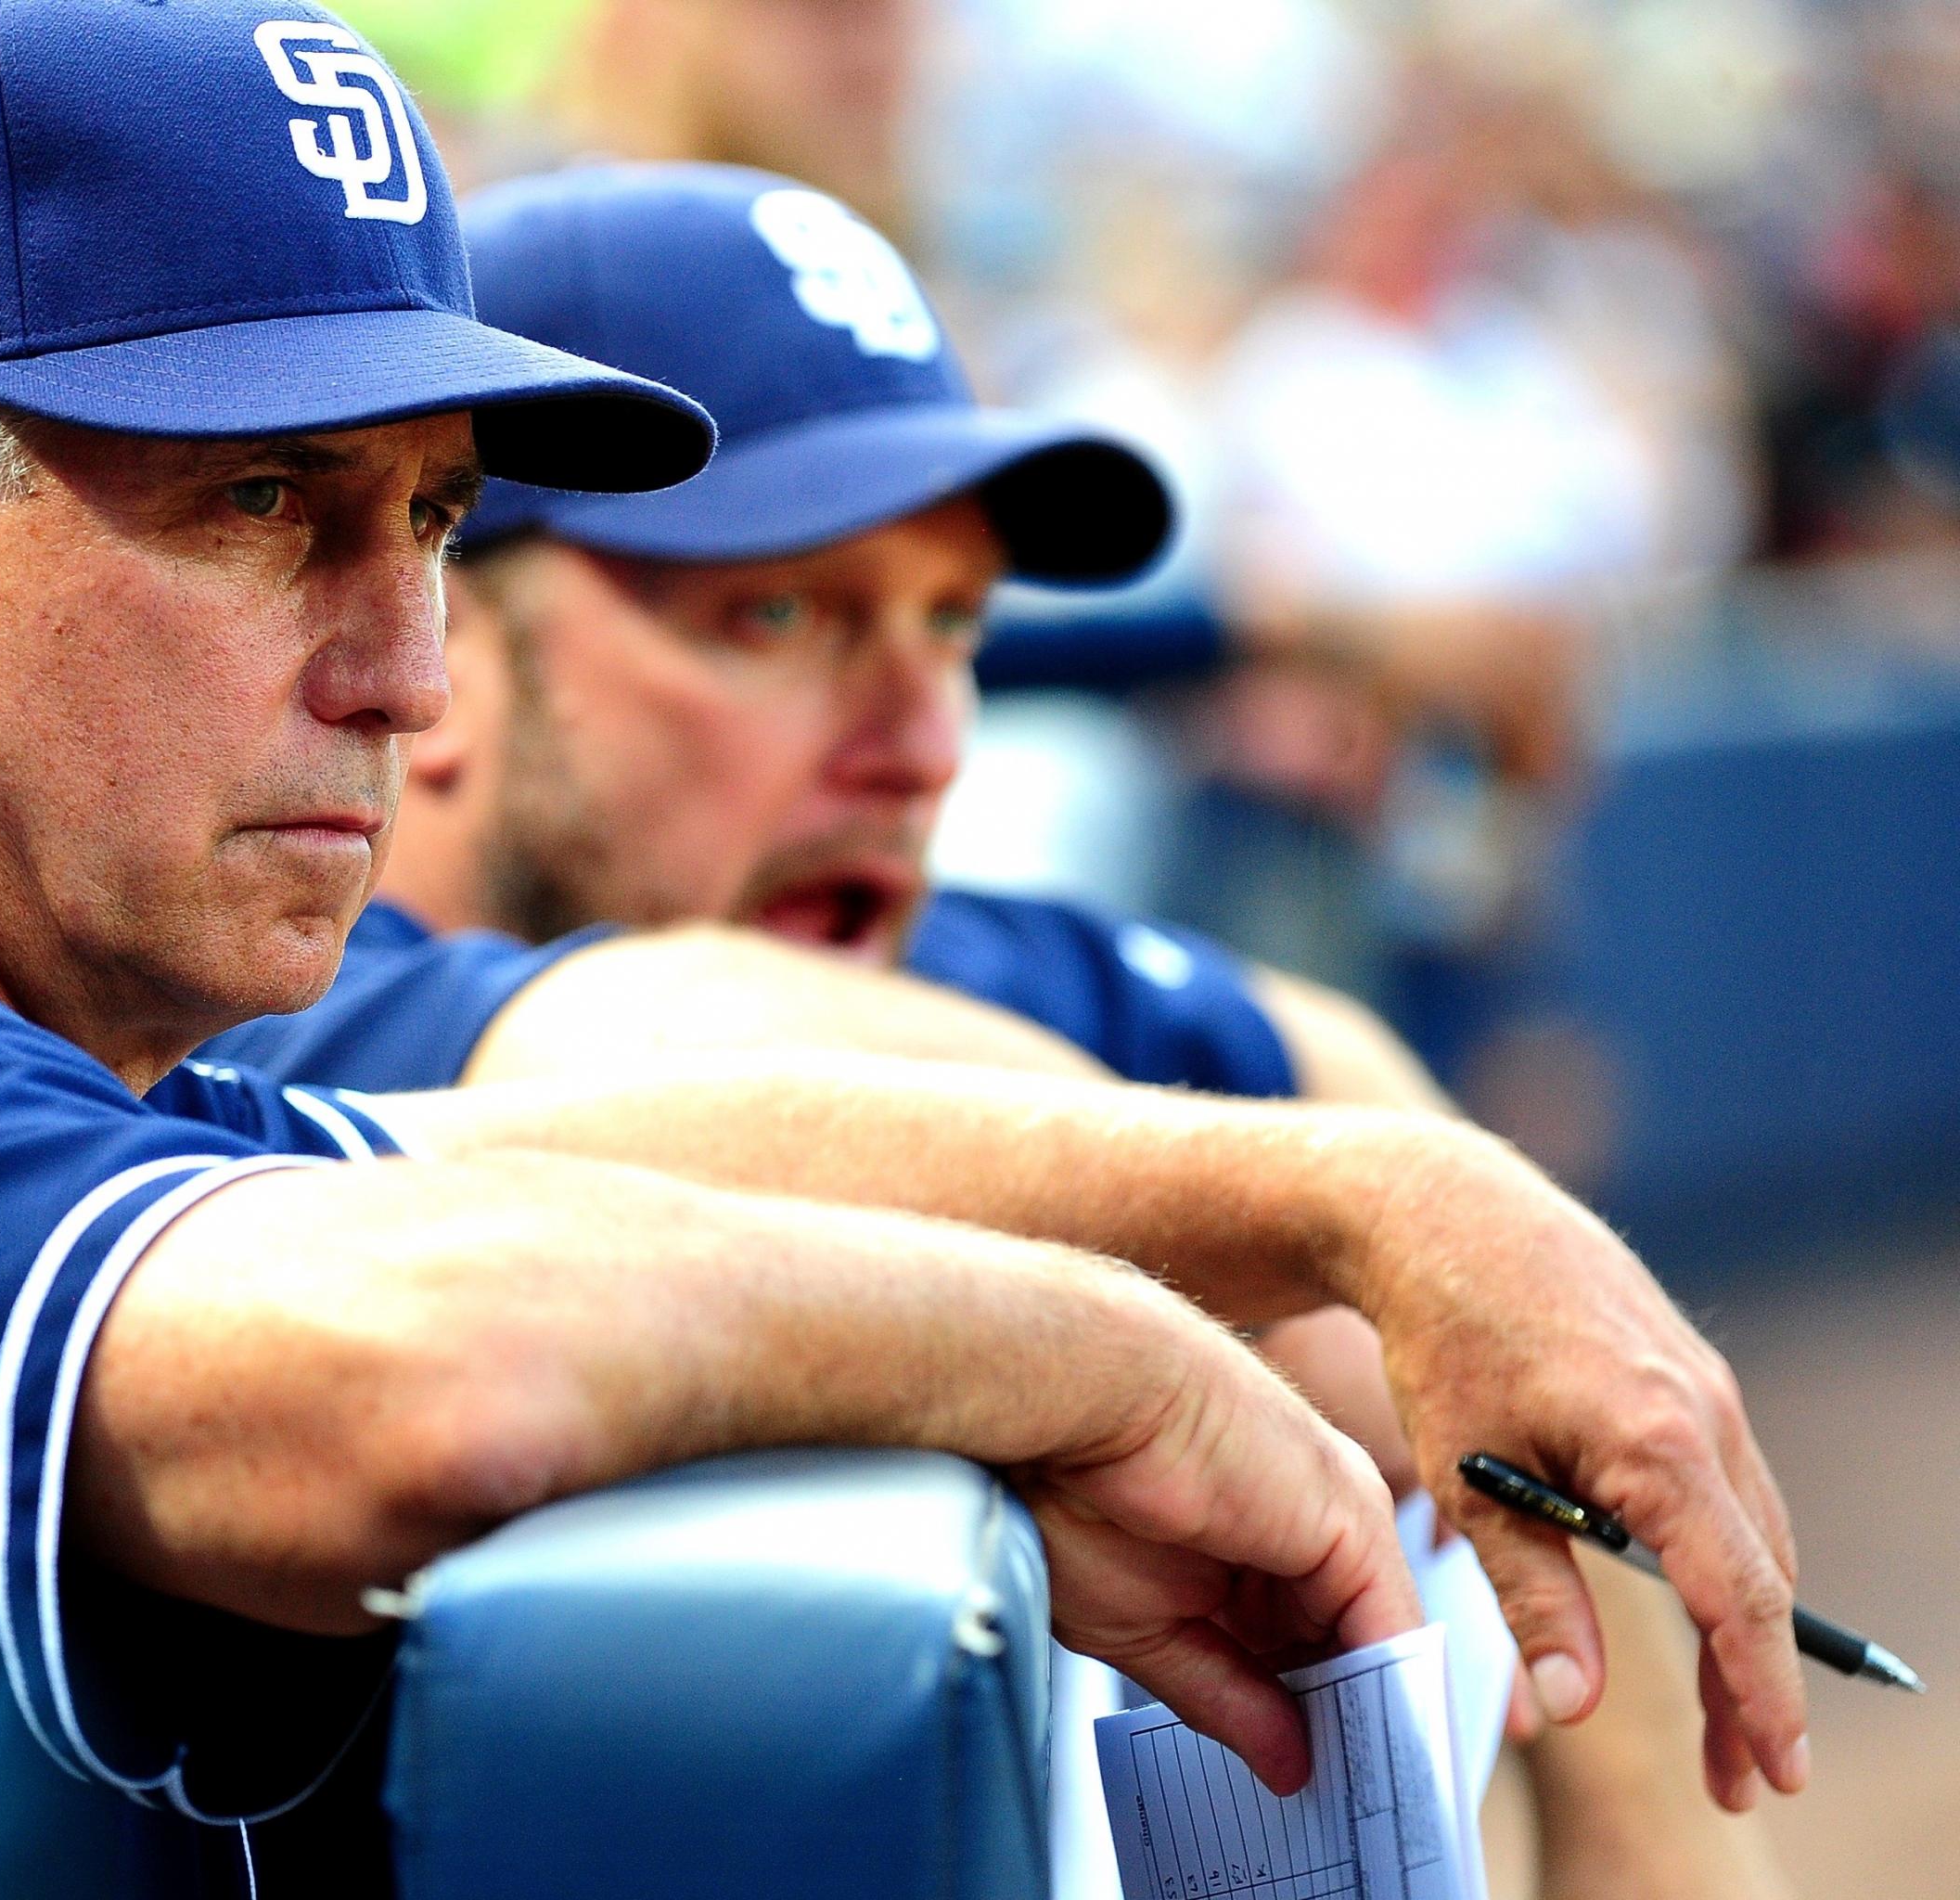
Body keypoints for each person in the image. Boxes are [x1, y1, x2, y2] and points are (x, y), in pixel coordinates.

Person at [0, 7, 1799, 1894]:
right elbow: (442, 1368)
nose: (405, 659)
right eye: (267, 508)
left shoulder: (8, 1055)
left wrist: (1349, 1203)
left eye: (432, 522)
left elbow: (550, 1140)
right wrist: (1111, 1359)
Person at [199, 161, 1795, 1891]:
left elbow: (1318, 1060)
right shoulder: (247, 1001)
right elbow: (669, 1042)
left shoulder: (855, 940)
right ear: (450, 645)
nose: (924, 739)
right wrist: (1357, 1210)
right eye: (784, 614)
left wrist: (1630, 1801)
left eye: (952, 625)